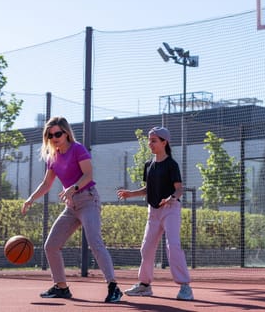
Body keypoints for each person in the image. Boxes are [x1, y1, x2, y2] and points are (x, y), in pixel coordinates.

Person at [21, 116, 122, 303]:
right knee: (51, 245)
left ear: (66, 133)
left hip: (88, 200)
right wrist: (30, 199)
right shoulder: (53, 157)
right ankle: (61, 287)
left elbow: (88, 174)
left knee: (94, 242)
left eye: (57, 133)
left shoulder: (77, 149)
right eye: (50, 135)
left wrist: (73, 188)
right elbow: (46, 183)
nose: (54, 138)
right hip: (71, 205)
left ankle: (113, 287)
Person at [116, 126, 194, 301]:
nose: (150, 143)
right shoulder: (148, 165)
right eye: (149, 140)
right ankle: (144, 286)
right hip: (153, 211)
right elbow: (148, 189)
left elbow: (179, 189)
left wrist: (171, 198)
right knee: (146, 248)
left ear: (164, 142)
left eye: (153, 140)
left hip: (170, 210)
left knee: (172, 246)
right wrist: (131, 193)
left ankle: (185, 287)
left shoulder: (171, 164)